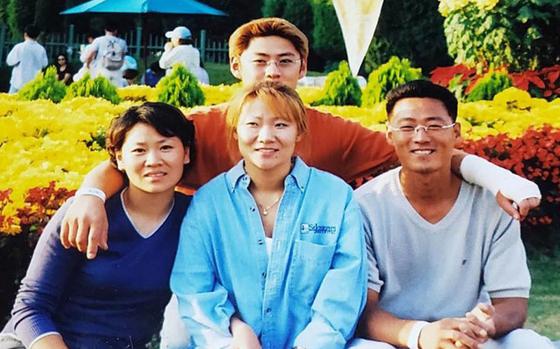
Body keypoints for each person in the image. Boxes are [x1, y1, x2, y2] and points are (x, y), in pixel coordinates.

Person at [59, 17, 541, 262]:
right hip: (208, 266)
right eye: (260, 60)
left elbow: (424, 147)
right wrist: (89, 195)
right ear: (235, 67)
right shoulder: (199, 126)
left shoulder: (334, 131)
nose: (272, 70)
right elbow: (133, 158)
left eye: (285, 61)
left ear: (303, 69)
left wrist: (494, 176)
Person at [351, 80, 554, 349]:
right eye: (407, 126)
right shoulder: (365, 206)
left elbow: (513, 305)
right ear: (389, 134)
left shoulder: (494, 202)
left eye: (434, 125)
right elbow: (364, 312)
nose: (421, 136)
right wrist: (423, 336)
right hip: (396, 338)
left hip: (469, 336)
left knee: (529, 343)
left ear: (456, 132)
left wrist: (484, 325)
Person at [172, 80, 366, 348]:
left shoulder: (335, 197)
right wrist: (233, 335)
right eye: (253, 124)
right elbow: (195, 287)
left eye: (281, 125)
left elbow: (344, 288)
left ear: (299, 132)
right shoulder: (209, 202)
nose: (266, 136)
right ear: (235, 131)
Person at [0, 102, 194, 349]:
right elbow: (31, 306)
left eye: (166, 147)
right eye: (139, 151)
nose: (153, 161)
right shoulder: (83, 213)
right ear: (119, 159)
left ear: (185, 153)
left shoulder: (195, 218)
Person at [6, 24, 48, 93]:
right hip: (34, 83)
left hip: (18, 81)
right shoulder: (41, 49)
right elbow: (45, 64)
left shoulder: (19, 47)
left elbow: (9, 61)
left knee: (11, 101)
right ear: (37, 36)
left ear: (25, 34)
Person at [84, 21, 128, 87]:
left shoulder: (98, 40)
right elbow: (123, 56)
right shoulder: (122, 42)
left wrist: (88, 65)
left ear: (105, 30)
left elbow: (90, 55)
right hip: (116, 71)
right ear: (116, 31)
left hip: (100, 69)